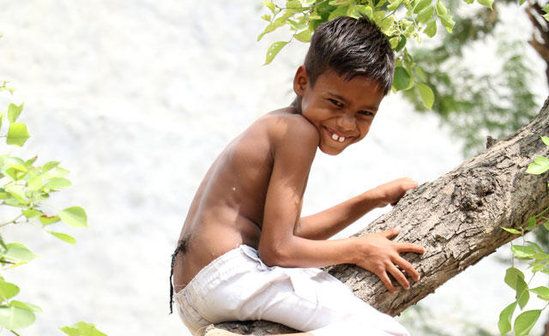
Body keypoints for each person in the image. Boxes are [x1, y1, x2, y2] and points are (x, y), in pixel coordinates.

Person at [169, 16, 426, 336]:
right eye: (336, 103)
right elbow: (278, 250)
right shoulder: (298, 133)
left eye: (364, 113)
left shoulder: (277, 125)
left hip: (198, 290)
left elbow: (286, 234)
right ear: (302, 81)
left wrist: (370, 199)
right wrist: (361, 249)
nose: (347, 124)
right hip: (229, 278)